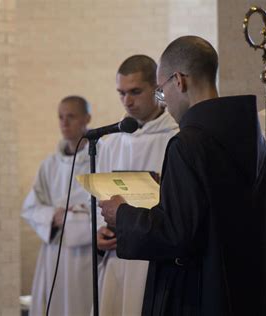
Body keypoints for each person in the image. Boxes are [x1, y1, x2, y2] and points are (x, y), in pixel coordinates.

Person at [100, 36, 266, 315]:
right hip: (252, 293)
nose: (164, 101)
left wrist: (122, 214)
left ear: (179, 81)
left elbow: (176, 235)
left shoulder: (187, 144)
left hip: (200, 295)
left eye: (161, 91)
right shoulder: (258, 140)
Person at [96, 55, 179, 315]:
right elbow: (99, 198)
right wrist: (98, 233)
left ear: (156, 88)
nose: (127, 102)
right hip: (117, 257)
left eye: (135, 92)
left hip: (153, 257)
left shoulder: (175, 138)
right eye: (121, 93)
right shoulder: (110, 142)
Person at [21, 96, 94, 316]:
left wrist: (70, 219)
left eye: (71, 116)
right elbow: (30, 208)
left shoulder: (99, 160)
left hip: (85, 256)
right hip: (53, 253)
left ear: (86, 119)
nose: (64, 123)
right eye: (61, 117)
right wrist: (54, 215)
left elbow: (103, 210)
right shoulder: (49, 165)